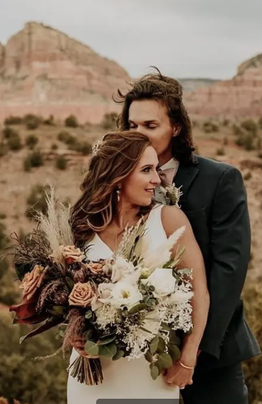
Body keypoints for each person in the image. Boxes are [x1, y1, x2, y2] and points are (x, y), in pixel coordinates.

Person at [113, 69, 261, 404]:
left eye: (150, 125)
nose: (139, 134)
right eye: (132, 125)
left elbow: (229, 270)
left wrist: (193, 349)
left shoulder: (220, 179)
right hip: (133, 354)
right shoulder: (114, 185)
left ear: (176, 127)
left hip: (211, 351)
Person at [67, 131, 210, 404]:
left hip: (149, 373)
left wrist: (188, 356)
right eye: (146, 170)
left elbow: (199, 292)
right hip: (93, 374)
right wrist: (75, 332)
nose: (157, 179)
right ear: (118, 176)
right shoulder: (82, 229)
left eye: (156, 169)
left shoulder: (168, 219)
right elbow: (67, 297)